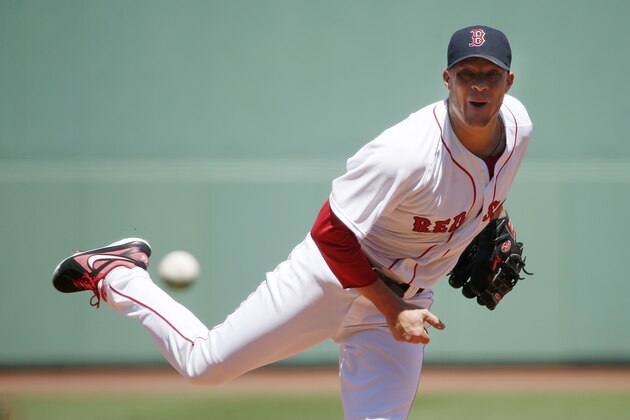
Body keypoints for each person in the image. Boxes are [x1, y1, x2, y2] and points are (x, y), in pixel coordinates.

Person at [52, 25, 531, 419]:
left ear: (508, 83)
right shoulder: (405, 153)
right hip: (327, 281)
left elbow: (483, 188)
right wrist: (389, 309)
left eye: (491, 74)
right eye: (467, 73)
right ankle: (119, 274)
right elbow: (330, 234)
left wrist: (490, 222)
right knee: (205, 365)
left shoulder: (519, 131)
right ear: (446, 79)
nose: (479, 85)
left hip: (403, 305)